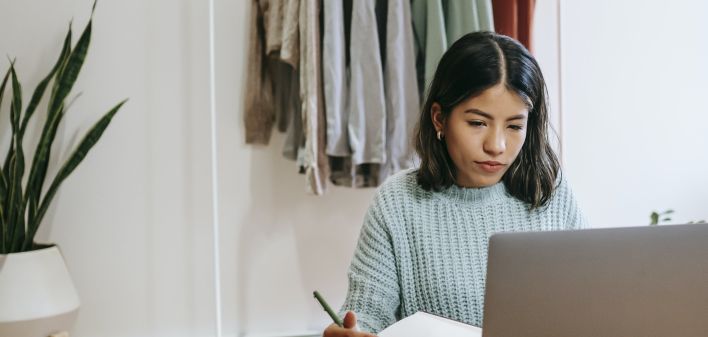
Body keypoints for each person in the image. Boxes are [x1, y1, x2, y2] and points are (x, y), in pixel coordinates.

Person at [322, 31, 588, 337]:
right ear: (439, 118)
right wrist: (348, 331)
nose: (497, 145)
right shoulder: (397, 203)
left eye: (515, 126)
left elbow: (592, 296)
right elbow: (366, 314)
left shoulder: (549, 189)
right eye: (477, 123)